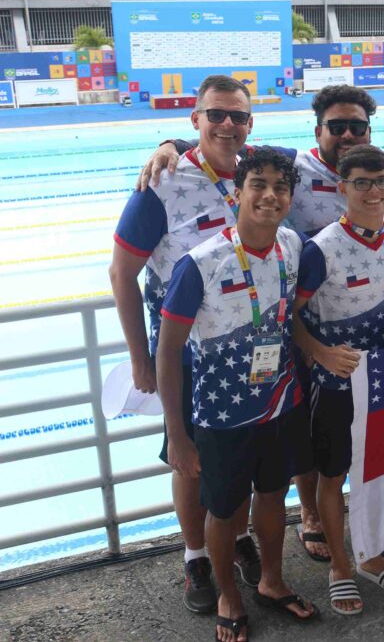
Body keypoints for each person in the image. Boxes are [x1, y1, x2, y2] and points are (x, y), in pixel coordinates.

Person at [135, 84, 384, 564]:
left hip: (292, 336)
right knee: (213, 463)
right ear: (317, 130)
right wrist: (173, 146)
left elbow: (375, 191)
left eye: (357, 127)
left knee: (298, 445)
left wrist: (382, 202)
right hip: (245, 341)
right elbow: (228, 142)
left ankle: (264, 551)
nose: (347, 134)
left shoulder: (368, 177)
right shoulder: (296, 166)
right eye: (337, 126)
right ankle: (207, 554)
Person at [110, 75, 261, 615]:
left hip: (248, 345)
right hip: (187, 350)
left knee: (241, 446)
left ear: (251, 123)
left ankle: (236, 536)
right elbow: (121, 273)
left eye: (238, 116)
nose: (227, 124)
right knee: (189, 458)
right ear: (194, 119)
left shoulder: (255, 171)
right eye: (214, 114)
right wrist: (139, 357)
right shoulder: (163, 185)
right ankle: (196, 555)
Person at [157, 149, 318, 641]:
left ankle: (271, 580)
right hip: (222, 418)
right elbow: (167, 354)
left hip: (280, 403)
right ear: (240, 191)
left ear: (291, 197)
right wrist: (178, 435)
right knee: (224, 512)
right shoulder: (200, 264)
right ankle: (229, 593)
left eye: (280, 187)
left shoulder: (295, 247)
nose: (270, 195)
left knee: (273, 497)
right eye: (259, 184)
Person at [293, 145, 384, 607]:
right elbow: (289, 317)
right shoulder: (321, 249)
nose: (373, 190)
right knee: (333, 475)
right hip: (338, 386)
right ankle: (340, 564)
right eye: (361, 182)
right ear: (342, 188)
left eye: (381, 181)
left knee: (373, 472)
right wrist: (320, 352)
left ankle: (371, 553)